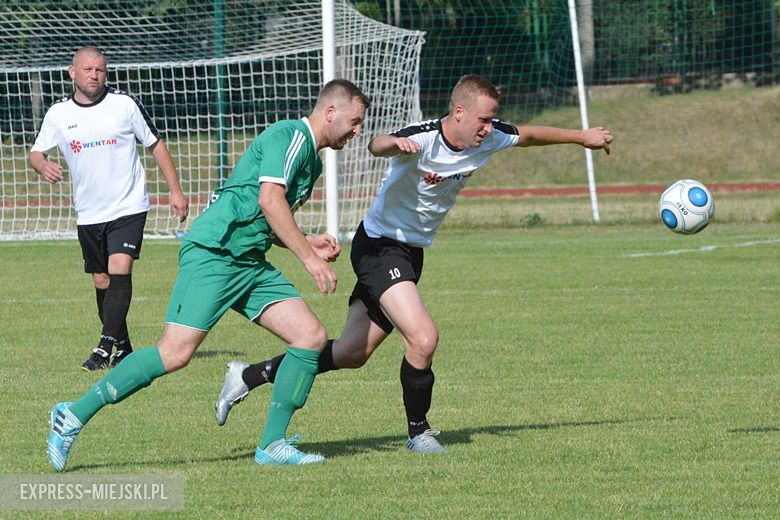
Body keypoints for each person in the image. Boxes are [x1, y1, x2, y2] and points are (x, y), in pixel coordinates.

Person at [215, 74, 614, 453]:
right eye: (483, 119)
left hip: (410, 253)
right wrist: (393, 144)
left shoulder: (487, 138)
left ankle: (250, 374)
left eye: (492, 119)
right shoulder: (424, 138)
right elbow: (377, 145)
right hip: (379, 248)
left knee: (353, 352)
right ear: (459, 112)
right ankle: (418, 432)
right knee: (423, 338)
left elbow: (527, 135)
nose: (489, 127)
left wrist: (583, 138)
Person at [47, 79, 371, 471]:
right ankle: (73, 414)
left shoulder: (312, 160)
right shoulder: (292, 137)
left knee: (310, 337)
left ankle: (272, 444)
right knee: (175, 353)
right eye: (354, 122)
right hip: (215, 253)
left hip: (248, 261)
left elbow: (266, 215)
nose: (357, 131)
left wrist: (307, 241)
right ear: (331, 112)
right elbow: (270, 201)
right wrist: (310, 260)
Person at [29, 46, 189, 371]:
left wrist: (176, 191)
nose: (94, 75)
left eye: (100, 70)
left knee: (120, 268)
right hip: (89, 211)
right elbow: (35, 153)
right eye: (87, 69)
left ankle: (103, 349)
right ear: (73, 73)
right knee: (102, 280)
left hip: (128, 205)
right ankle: (124, 347)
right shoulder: (59, 114)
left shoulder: (124, 105)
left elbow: (156, 144)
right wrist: (42, 165)